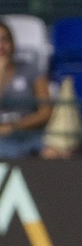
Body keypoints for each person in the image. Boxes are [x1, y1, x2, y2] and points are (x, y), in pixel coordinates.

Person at [0, 21, 52, 159]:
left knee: (52, 153)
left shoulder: (30, 69)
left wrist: (16, 126)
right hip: (1, 139)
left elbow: (45, 111)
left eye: (5, 39)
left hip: (30, 134)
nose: (1, 46)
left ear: (13, 43)